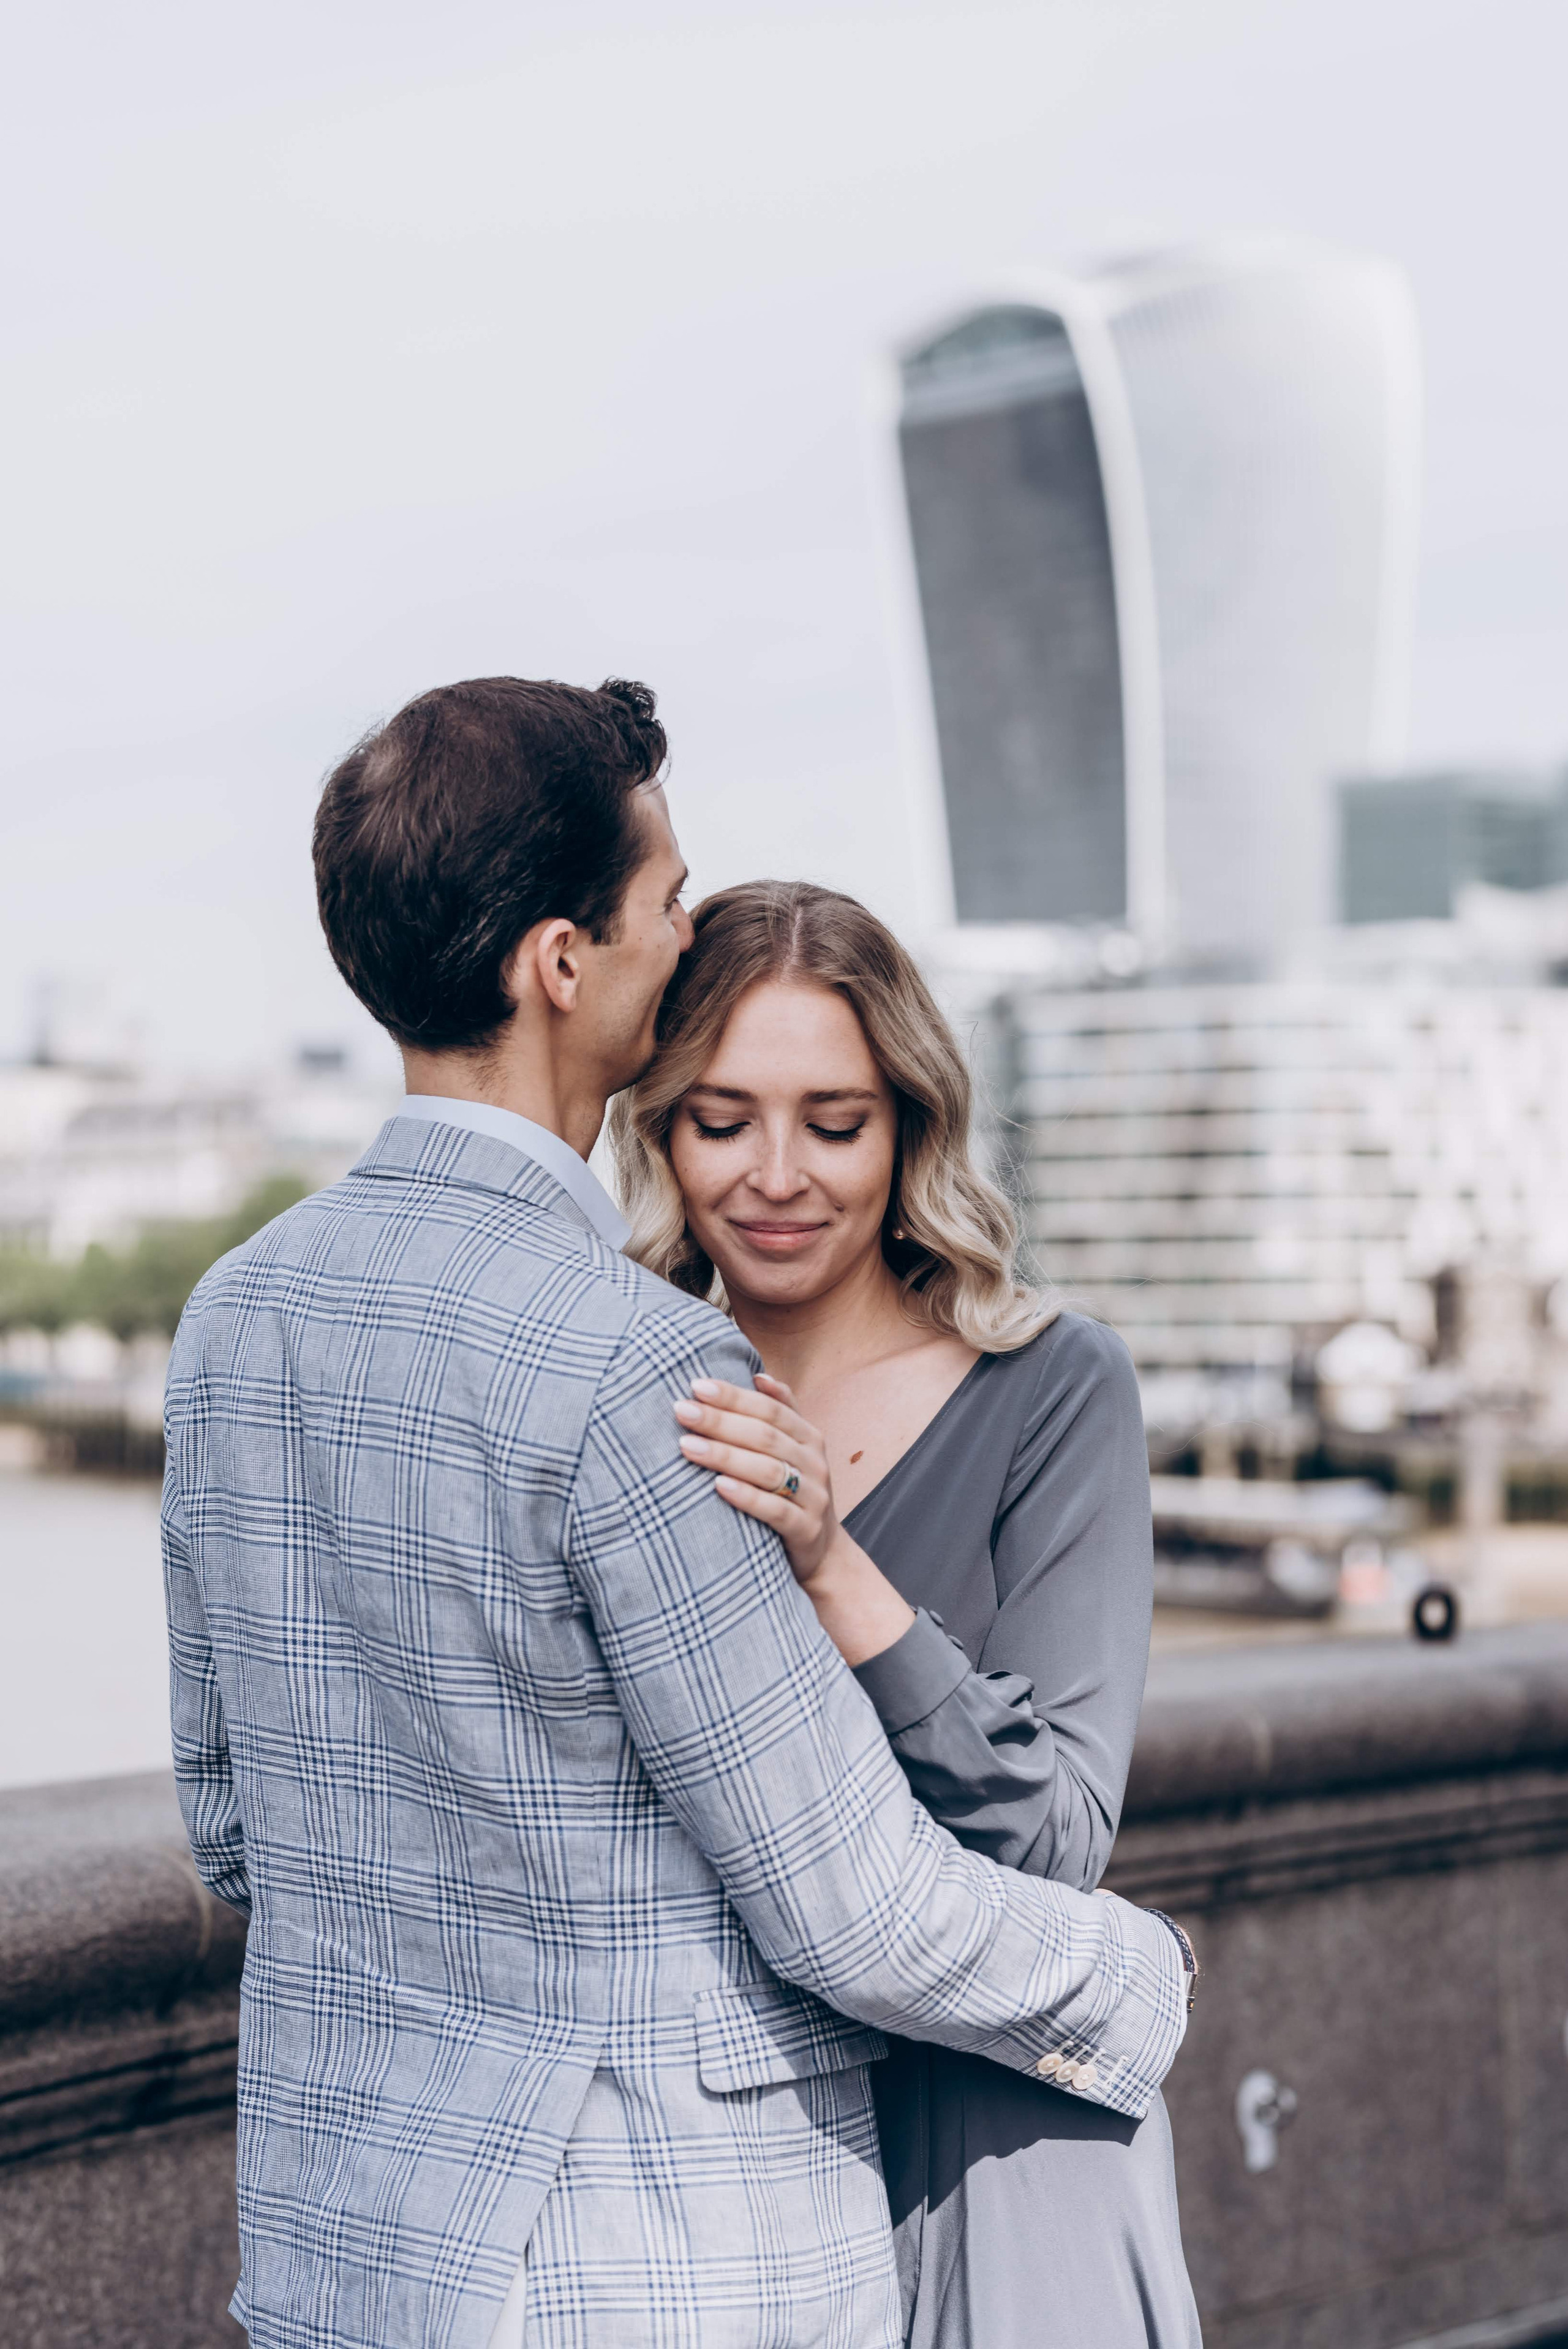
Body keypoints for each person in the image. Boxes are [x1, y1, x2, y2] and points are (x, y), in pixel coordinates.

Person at [162, 677, 1191, 2349]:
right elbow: (845, 1901)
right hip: (653, 2267)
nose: (682, 924)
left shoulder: (233, 1314)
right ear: (563, 963)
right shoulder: (641, 1362)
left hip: (344, 2250)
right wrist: (1141, 1975)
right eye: (663, 897)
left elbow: (230, 1827)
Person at [613, 877, 1202, 2349]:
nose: (774, 1175)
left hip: (988, 2148)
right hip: (697, 2175)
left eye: (833, 1121)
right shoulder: (616, 1390)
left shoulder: (1053, 1389)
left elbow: (1056, 1837)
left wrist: (831, 1561)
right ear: (660, 1128)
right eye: (720, 1118)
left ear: (909, 1126)